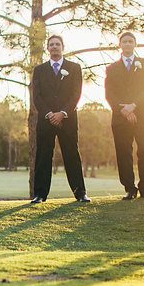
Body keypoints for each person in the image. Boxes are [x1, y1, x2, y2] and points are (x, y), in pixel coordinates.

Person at [30, 34, 89, 203]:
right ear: (47, 48)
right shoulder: (39, 70)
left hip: (67, 120)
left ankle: (80, 192)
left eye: (57, 44)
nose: (54, 47)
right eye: (51, 44)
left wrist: (62, 113)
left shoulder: (74, 67)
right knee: (43, 156)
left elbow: (76, 94)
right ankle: (40, 194)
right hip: (46, 120)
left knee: (71, 155)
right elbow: (37, 96)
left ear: (63, 47)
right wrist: (49, 114)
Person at [104, 32, 144, 200]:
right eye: (124, 41)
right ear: (120, 45)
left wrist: (133, 105)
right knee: (123, 152)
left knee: (143, 150)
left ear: (135, 44)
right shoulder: (111, 68)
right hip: (120, 117)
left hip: (142, 114)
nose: (127, 44)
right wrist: (124, 110)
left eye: (130, 41)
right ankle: (129, 188)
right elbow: (109, 94)